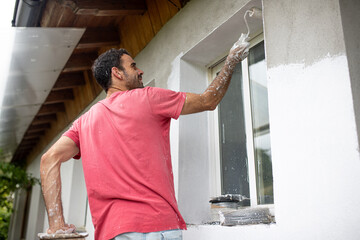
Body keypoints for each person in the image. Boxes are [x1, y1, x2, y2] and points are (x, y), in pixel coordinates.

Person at [40, 34, 250, 240]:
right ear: (117, 73)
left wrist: (57, 225)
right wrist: (231, 60)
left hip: (113, 232)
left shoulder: (83, 122)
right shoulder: (148, 97)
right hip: (157, 226)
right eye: (132, 66)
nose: (140, 71)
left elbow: (48, 159)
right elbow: (208, 101)